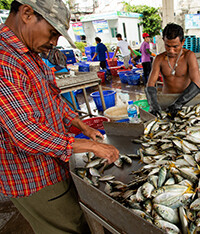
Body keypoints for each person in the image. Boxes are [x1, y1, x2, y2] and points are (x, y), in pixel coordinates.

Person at [0, 1, 120, 233]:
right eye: (52, 33)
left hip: (54, 165)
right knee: (68, 227)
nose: (54, 42)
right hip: (34, 177)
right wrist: (91, 146)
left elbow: (51, 99)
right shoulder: (5, 60)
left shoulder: (28, 53)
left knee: (79, 220)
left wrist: (80, 125)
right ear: (26, 13)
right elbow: (24, 132)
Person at [145, 23, 200, 118]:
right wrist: (153, 105)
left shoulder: (189, 56)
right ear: (163, 41)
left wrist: (178, 104)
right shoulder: (159, 59)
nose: (171, 50)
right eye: (167, 46)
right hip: (167, 100)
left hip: (185, 101)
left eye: (175, 46)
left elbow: (196, 83)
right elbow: (150, 84)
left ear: (182, 42)